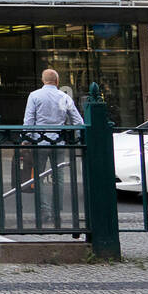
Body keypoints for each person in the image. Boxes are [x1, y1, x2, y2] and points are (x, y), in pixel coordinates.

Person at [22, 68, 84, 224]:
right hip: (58, 141)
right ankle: (57, 211)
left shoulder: (34, 96)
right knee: (59, 178)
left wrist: (26, 139)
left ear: (43, 81)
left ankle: (45, 210)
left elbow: (29, 120)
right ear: (57, 81)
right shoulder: (64, 97)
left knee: (39, 176)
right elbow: (78, 121)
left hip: (40, 141)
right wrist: (77, 138)